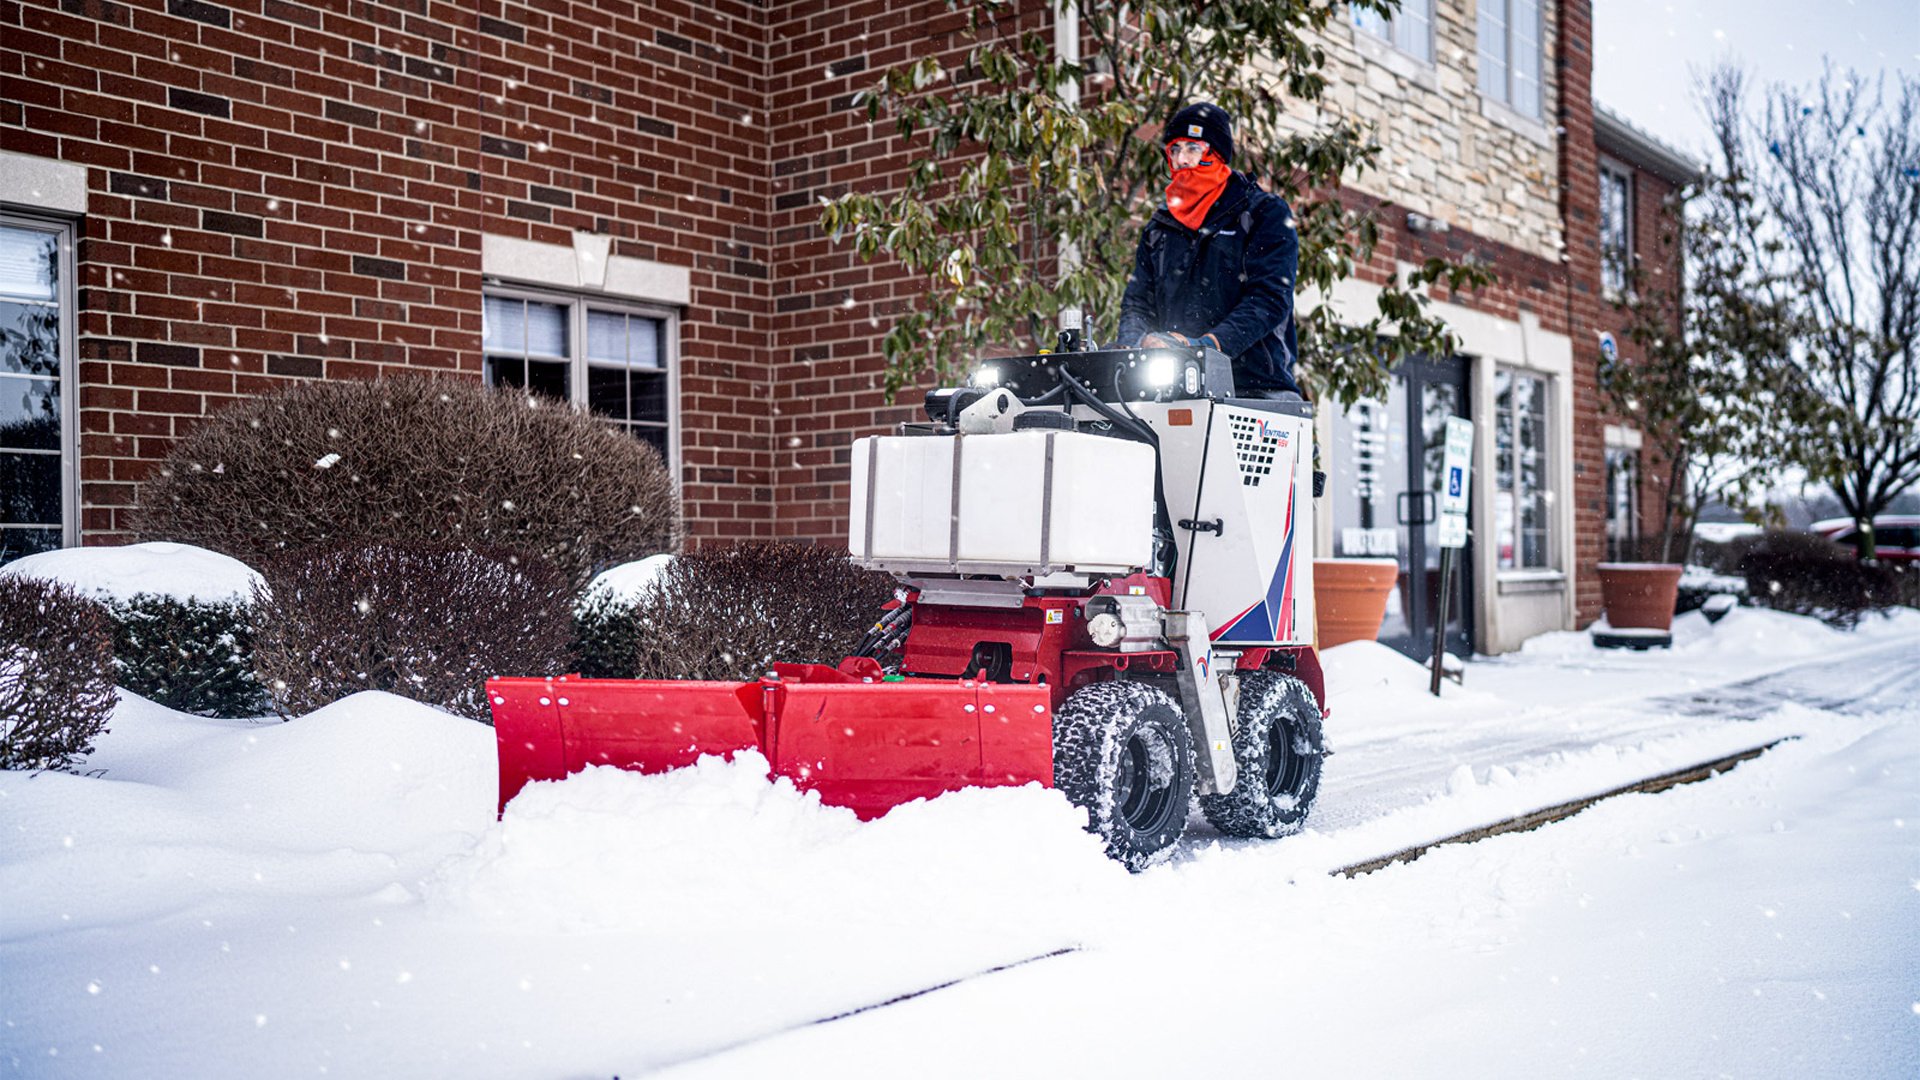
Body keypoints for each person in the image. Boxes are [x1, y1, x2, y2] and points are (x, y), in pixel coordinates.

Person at [1116, 102, 1303, 400]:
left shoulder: (1263, 213)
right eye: (1174, 151)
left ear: (1216, 154)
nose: (1182, 160)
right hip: (1174, 388)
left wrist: (1206, 347)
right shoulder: (1160, 227)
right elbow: (1138, 302)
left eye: (1193, 148)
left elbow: (1268, 299)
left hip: (1254, 386)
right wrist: (1130, 346)